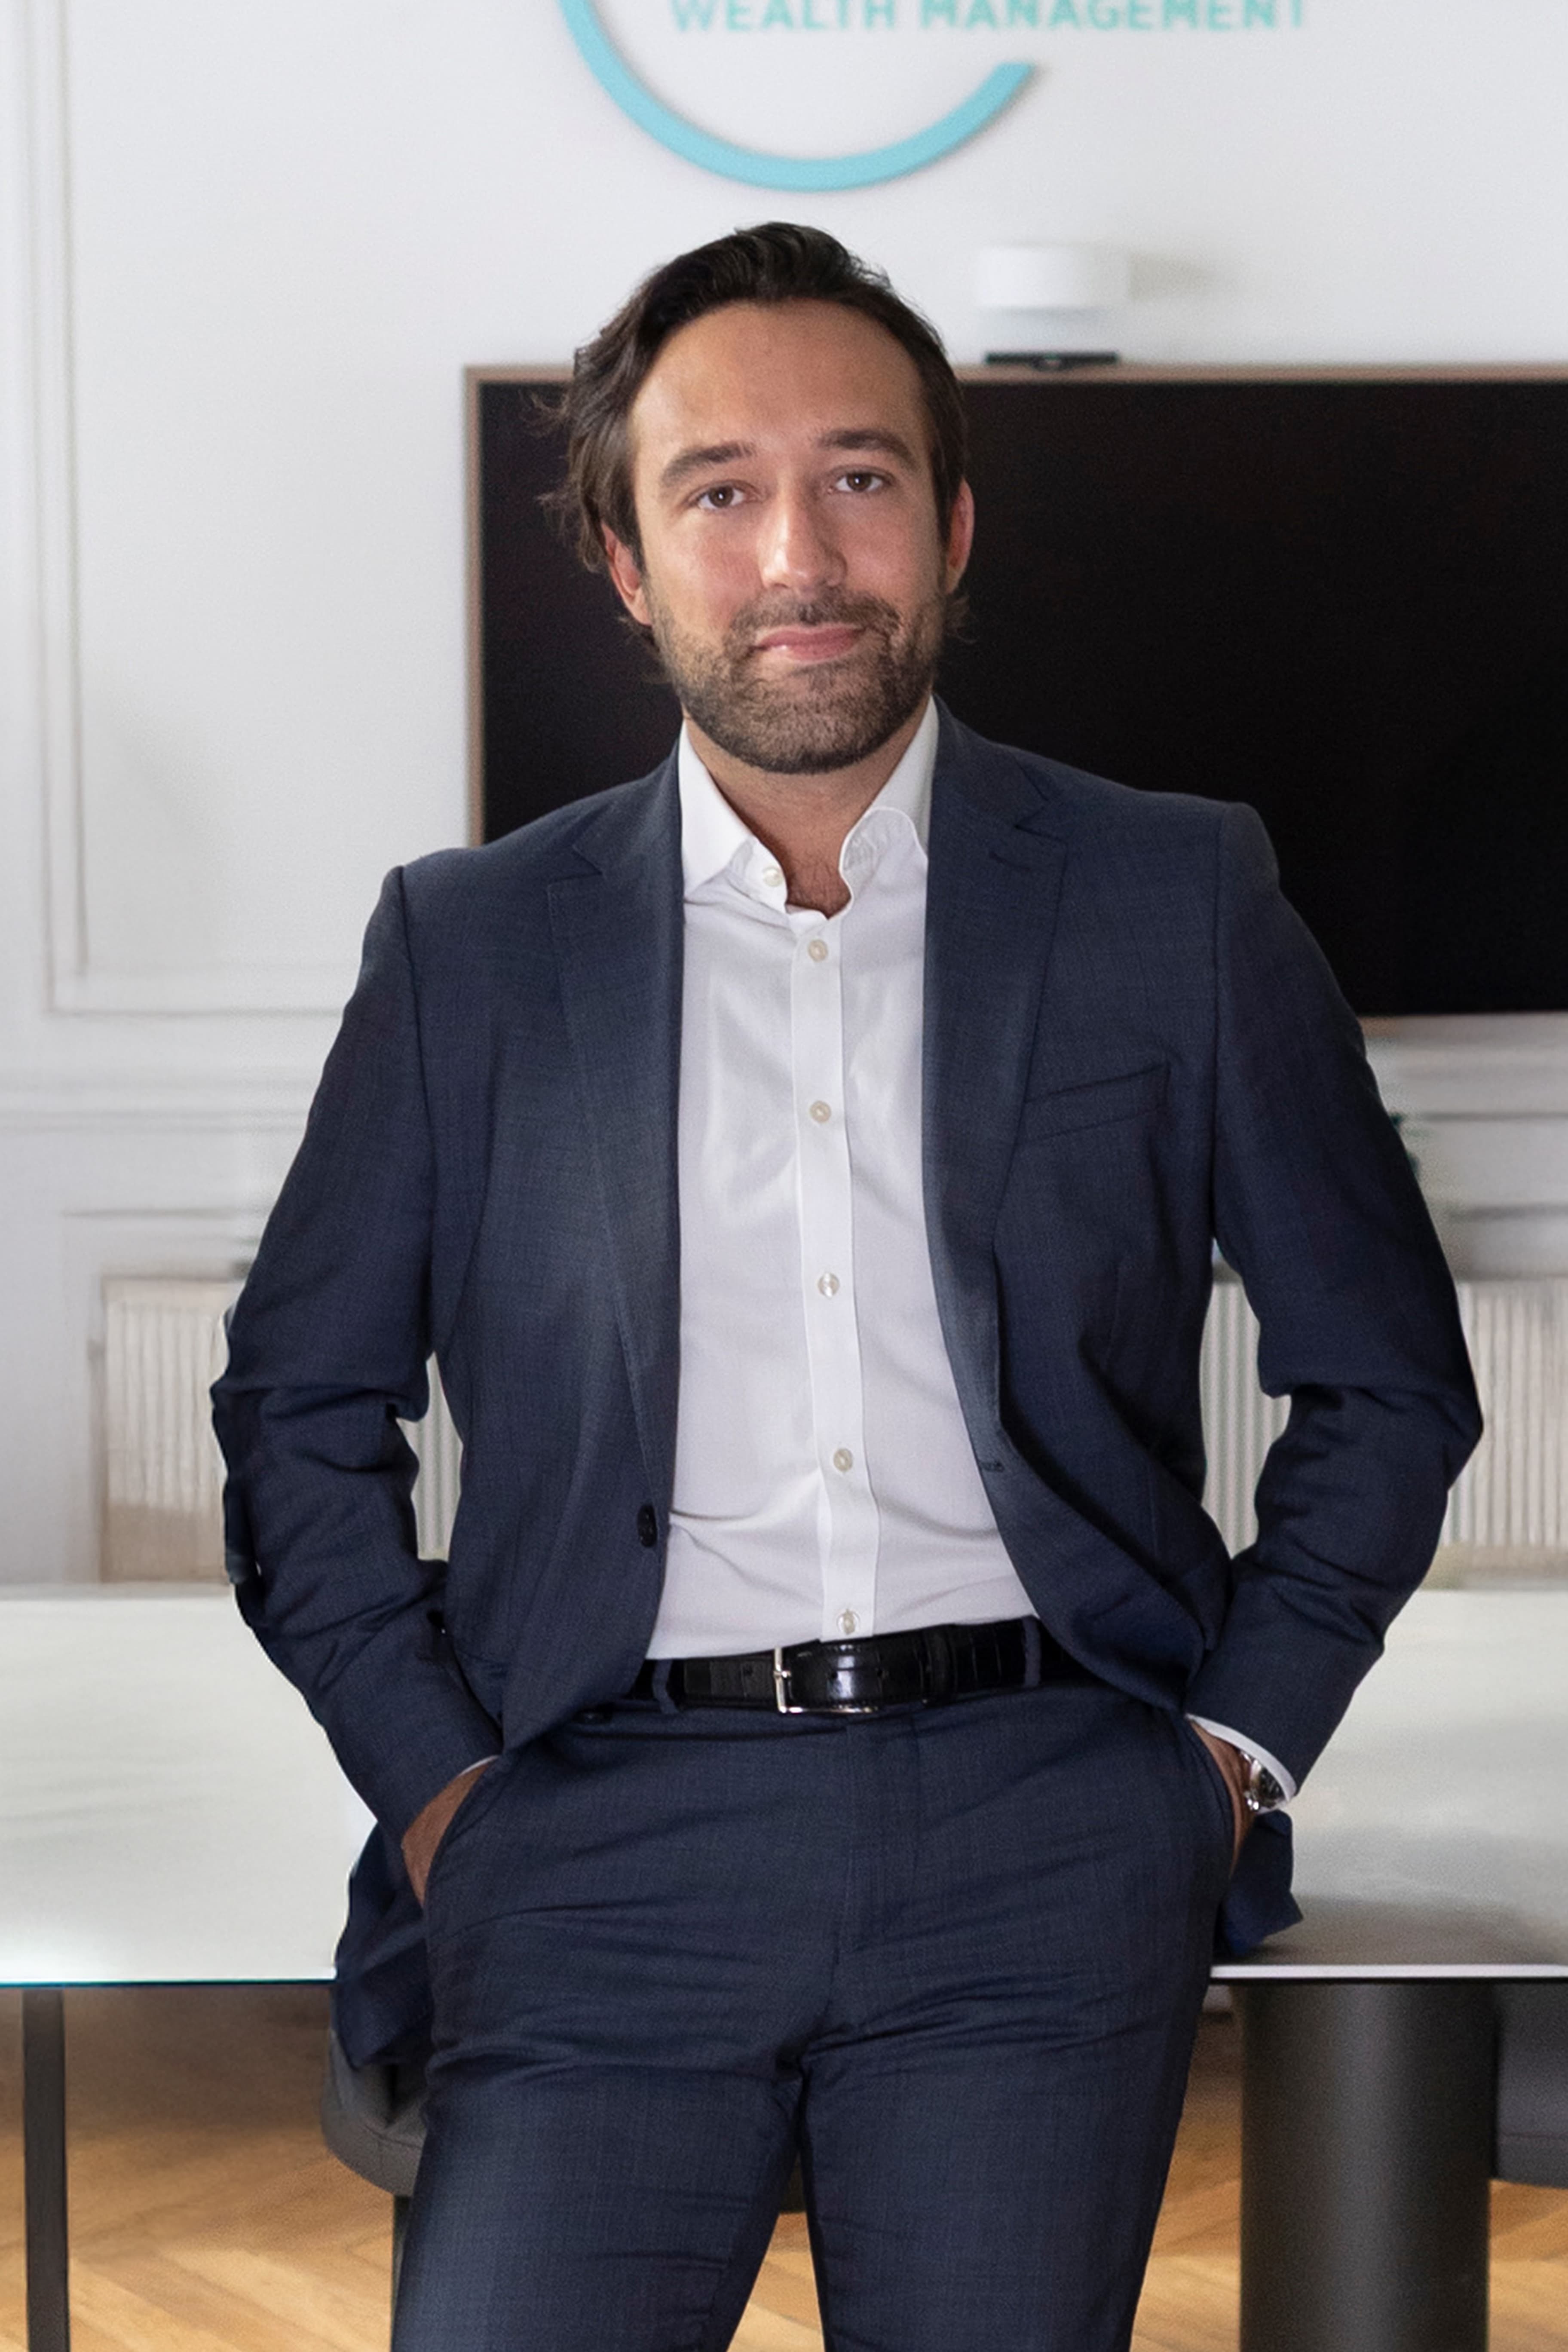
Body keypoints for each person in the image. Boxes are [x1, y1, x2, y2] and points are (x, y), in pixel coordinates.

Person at [213, 223, 1479, 2352]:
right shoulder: (473, 946)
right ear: (626, 563)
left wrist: (1227, 1753)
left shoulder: (1174, 895)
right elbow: (298, 1415)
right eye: (719, 489)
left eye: (861, 477)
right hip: (593, 1842)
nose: (799, 553)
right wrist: (440, 1790)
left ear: (953, 527)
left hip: (1051, 1831)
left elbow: (1386, 1377)